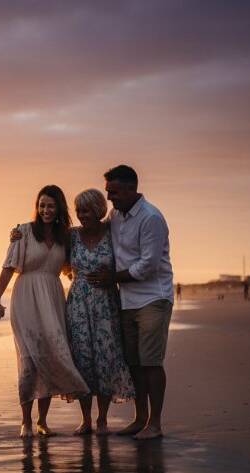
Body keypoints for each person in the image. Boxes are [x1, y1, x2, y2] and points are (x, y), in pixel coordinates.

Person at [0, 185, 90, 438]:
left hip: (53, 298)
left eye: (51, 206)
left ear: (59, 209)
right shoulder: (23, 232)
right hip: (25, 298)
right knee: (28, 362)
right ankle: (25, 421)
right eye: (41, 205)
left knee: (49, 355)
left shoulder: (65, 237)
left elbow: (75, 263)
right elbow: (8, 268)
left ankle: (42, 421)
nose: (45, 210)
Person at [87, 165, 174, 440]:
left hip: (153, 297)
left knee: (151, 362)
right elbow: (91, 229)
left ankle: (156, 424)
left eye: (113, 192)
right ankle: (140, 418)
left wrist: (111, 277)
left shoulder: (151, 218)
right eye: (108, 191)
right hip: (126, 300)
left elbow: (147, 266)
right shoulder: (116, 215)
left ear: (129, 189)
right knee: (133, 362)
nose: (109, 197)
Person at [65, 189, 136, 435]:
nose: (81, 216)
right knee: (83, 358)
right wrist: (18, 233)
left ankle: (102, 419)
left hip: (106, 302)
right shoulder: (71, 236)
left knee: (106, 358)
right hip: (78, 305)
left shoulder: (111, 232)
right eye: (78, 211)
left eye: (85, 211)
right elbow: (44, 237)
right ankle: (86, 419)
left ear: (98, 210)